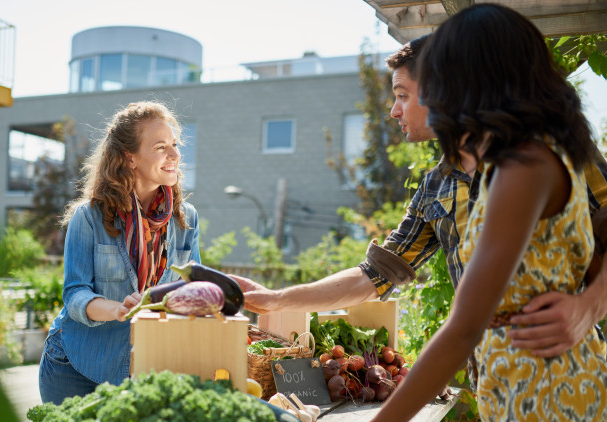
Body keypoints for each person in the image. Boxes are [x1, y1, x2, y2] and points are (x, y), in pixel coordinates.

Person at [312, 4, 607, 422]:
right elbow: (386, 271)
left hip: (547, 392)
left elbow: (465, 325)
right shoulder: (511, 162)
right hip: (521, 385)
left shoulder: (524, 164)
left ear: (474, 78)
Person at [232, 34, 607, 358]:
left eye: (402, 95)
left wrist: (588, 308)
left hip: (576, 365)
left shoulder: (553, 156)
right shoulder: (435, 186)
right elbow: (374, 275)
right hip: (493, 374)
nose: (394, 111)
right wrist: (276, 299)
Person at [38, 101, 200, 405]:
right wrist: (118, 309)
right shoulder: (89, 217)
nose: (175, 155)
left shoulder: (185, 219)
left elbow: (193, 287)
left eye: (175, 145)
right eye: (161, 147)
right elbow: (75, 294)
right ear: (130, 158)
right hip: (76, 367)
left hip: (146, 368)